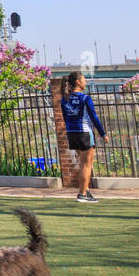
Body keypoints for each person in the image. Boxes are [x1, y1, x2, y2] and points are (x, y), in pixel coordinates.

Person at [59, 71, 105, 203]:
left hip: (71, 134)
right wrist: (103, 133)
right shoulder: (85, 98)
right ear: (78, 82)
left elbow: (65, 117)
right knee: (87, 165)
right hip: (84, 133)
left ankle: (86, 191)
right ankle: (82, 194)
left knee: (83, 164)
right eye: (84, 80)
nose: (85, 82)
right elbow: (94, 118)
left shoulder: (65, 99)